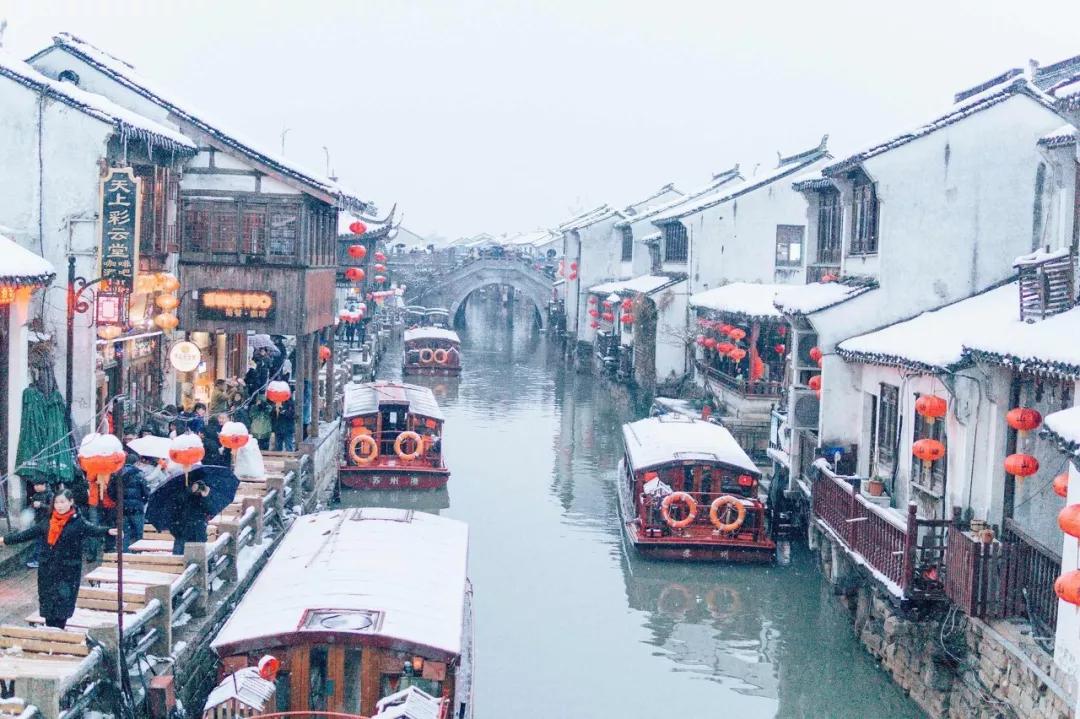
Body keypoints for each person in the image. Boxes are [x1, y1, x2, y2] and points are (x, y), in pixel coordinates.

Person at [1, 489, 115, 629]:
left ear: (71, 502)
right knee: (48, 604)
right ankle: (50, 631)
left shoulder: (77, 522)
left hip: (68, 571)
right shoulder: (48, 521)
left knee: (63, 605)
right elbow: (28, 534)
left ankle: (59, 630)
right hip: (48, 570)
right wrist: (5, 540)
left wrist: (108, 531)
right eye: (56, 502)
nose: (59, 506)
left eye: (62, 502)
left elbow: (93, 530)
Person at [108, 454, 151, 551]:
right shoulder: (139, 474)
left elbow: (110, 492)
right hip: (137, 509)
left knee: (124, 533)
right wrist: (141, 502)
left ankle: (125, 554)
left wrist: (118, 501)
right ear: (136, 463)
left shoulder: (117, 474)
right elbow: (146, 492)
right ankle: (139, 553)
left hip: (122, 509)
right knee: (139, 533)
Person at [171, 481, 213, 556]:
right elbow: (177, 502)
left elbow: (210, 510)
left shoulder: (203, 497)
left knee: (198, 557)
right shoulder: (182, 491)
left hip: (198, 532)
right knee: (179, 557)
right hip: (182, 531)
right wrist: (190, 490)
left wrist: (205, 496)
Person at [25, 480, 53, 569]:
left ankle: (39, 560)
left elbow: (52, 508)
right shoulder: (35, 495)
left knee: (42, 542)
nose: (35, 487)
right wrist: (33, 505)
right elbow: (32, 507)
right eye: (35, 485)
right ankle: (39, 559)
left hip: (47, 522)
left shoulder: (50, 495)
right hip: (38, 522)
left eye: (38, 485)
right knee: (39, 542)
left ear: (44, 484)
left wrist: (41, 505)